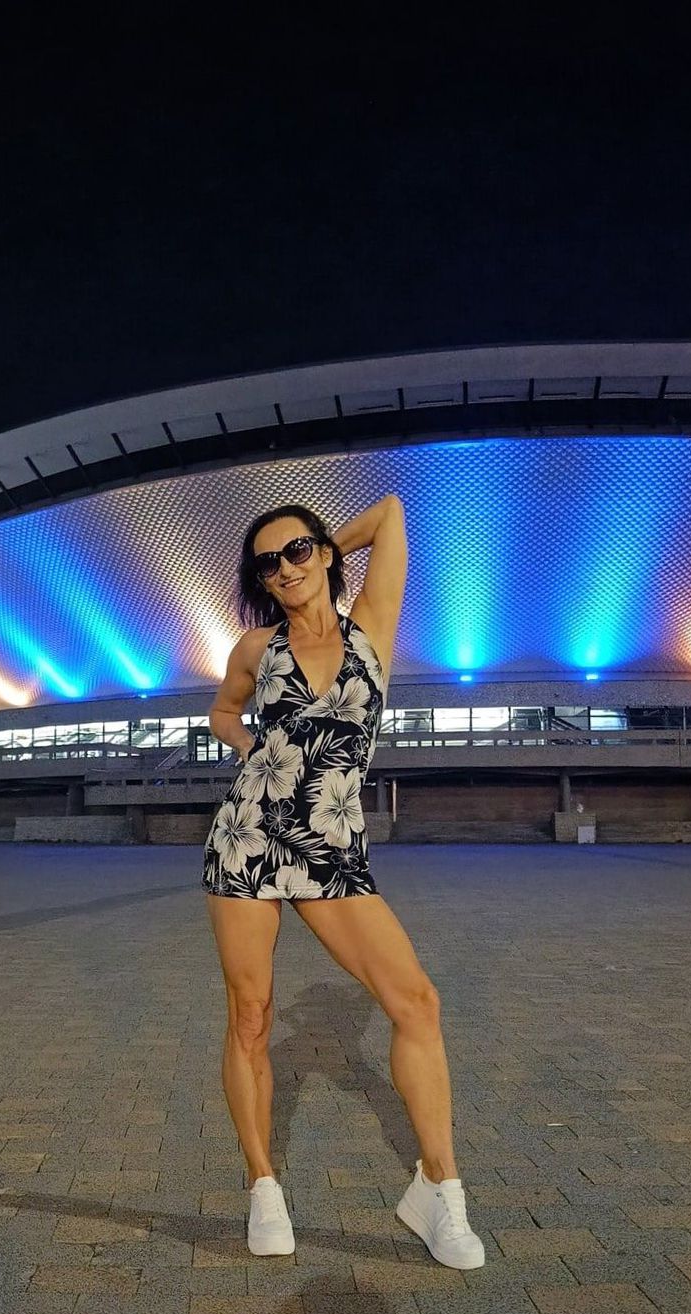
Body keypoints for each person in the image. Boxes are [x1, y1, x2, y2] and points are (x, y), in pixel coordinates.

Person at [201, 494, 483, 1270]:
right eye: (268, 563)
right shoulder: (255, 646)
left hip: (332, 849)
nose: (283, 569)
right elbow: (224, 712)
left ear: (326, 553)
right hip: (247, 840)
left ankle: (438, 1190)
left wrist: (323, 547)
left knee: (416, 1002)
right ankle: (263, 1186)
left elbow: (391, 513)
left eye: (297, 551)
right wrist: (249, 748)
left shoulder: (372, 630)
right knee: (251, 1017)